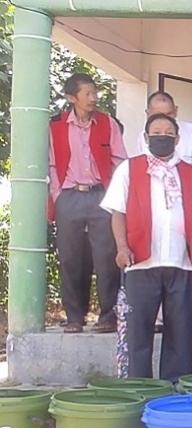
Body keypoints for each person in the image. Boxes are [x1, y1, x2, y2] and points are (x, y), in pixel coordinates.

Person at [100, 113, 192, 382]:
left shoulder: (189, 172)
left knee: (181, 333)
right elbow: (118, 212)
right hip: (141, 263)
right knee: (138, 333)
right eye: (157, 132)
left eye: (168, 132)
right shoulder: (129, 168)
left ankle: (175, 391)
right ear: (147, 137)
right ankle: (140, 389)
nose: (163, 136)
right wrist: (122, 247)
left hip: (181, 263)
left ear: (177, 138)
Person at [48, 73, 126, 334]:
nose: (93, 98)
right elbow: (51, 165)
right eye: (87, 94)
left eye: (95, 93)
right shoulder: (56, 126)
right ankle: (74, 317)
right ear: (72, 98)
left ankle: (108, 316)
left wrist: (114, 196)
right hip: (69, 196)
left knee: (106, 257)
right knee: (70, 258)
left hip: (101, 196)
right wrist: (59, 195)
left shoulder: (107, 123)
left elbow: (119, 162)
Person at [146, 91, 192, 334]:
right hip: (155, 215)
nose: (163, 124)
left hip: (190, 211)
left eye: (168, 115)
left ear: (176, 112)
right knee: (155, 263)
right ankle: (157, 319)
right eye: (156, 116)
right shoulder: (143, 138)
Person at [145, 91, 192, 181]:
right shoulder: (144, 136)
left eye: (168, 114)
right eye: (158, 115)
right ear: (148, 113)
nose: (164, 119)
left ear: (176, 111)